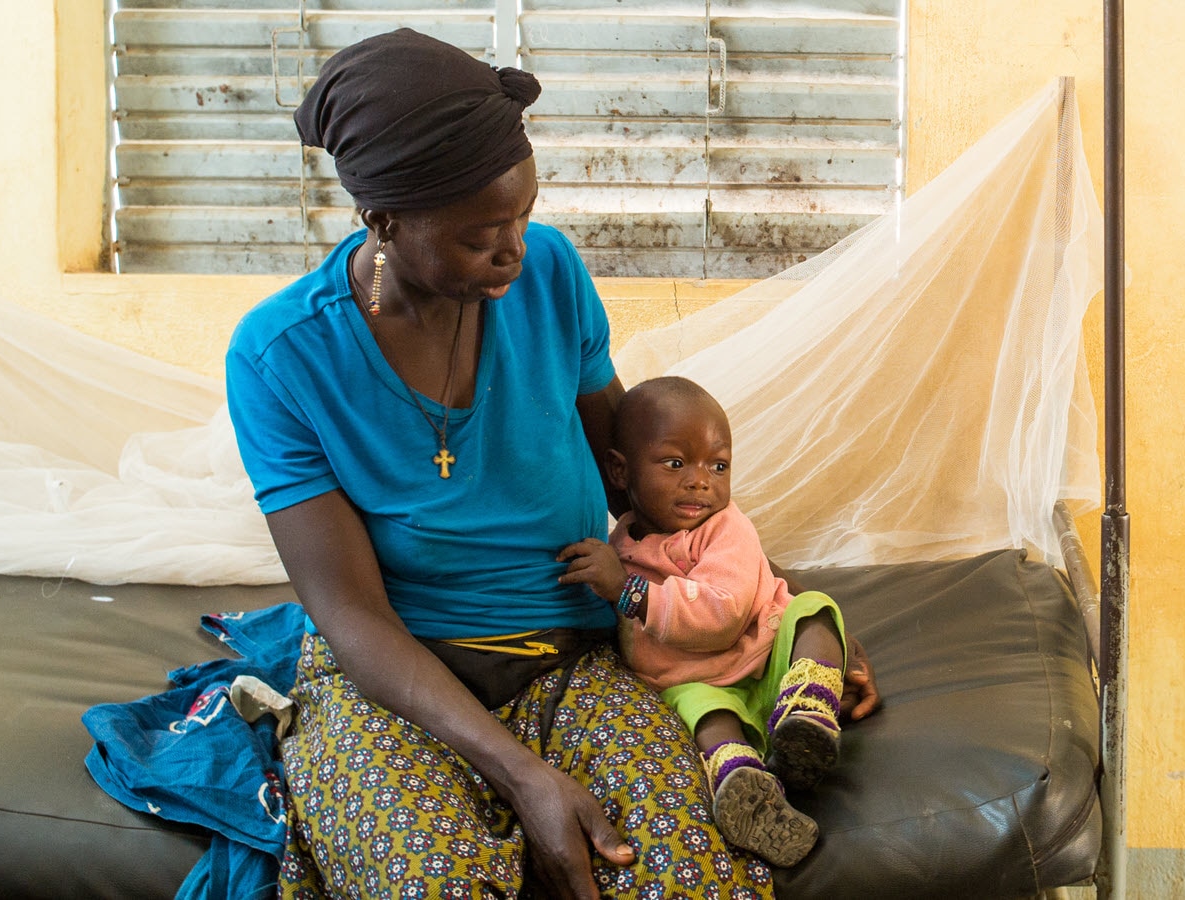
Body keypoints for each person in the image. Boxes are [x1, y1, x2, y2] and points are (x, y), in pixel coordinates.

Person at [224, 27, 877, 900]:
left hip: (573, 659)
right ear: (383, 220)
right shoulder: (281, 357)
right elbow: (354, 620)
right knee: (434, 884)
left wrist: (777, 607)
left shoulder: (551, 276)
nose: (516, 252)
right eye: (482, 235)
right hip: (400, 677)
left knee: (687, 879)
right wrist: (521, 773)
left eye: (525, 217)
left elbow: (634, 482)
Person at [556, 377, 850, 868]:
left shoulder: (725, 527)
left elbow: (723, 616)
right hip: (698, 681)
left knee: (815, 609)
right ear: (619, 470)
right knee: (698, 710)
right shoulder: (619, 548)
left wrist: (627, 592)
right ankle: (748, 790)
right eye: (676, 464)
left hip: (765, 651)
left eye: (718, 465)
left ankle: (808, 712)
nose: (701, 481)